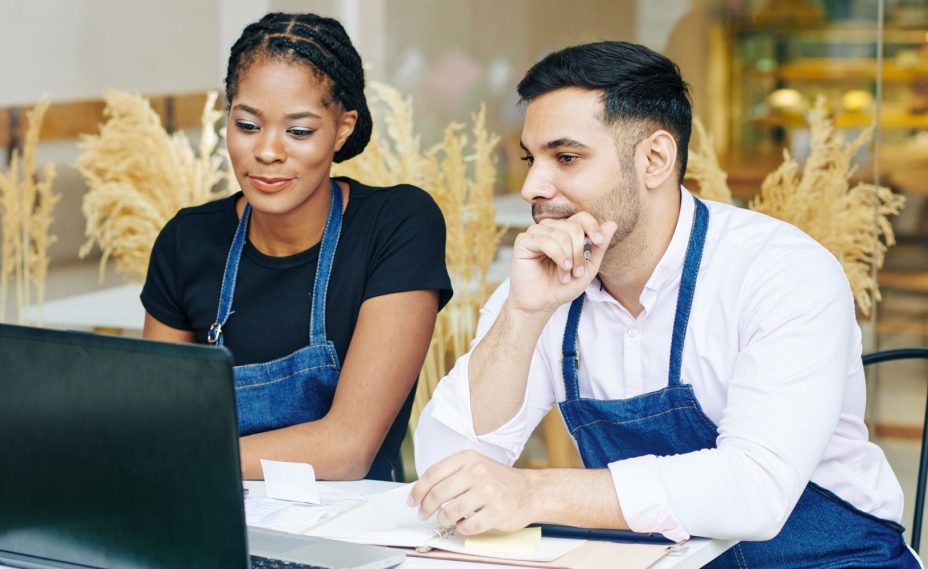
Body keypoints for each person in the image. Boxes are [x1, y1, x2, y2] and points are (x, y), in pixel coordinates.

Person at [410, 40, 919, 567]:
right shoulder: (541, 283)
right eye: (530, 159)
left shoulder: (780, 271)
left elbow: (755, 492)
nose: (534, 186)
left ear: (655, 159)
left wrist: (533, 493)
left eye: (566, 157)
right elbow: (447, 477)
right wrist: (522, 316)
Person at [141, 12, 452, 482]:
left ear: (343, 128)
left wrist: (182, 457)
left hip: (348, 535)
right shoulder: (187, 241)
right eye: (247, 125)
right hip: (215, 518)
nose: (267, 151)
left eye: (299, 131)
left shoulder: (397, 225)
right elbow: (158, 424)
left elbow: (346, 450)